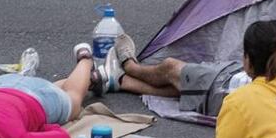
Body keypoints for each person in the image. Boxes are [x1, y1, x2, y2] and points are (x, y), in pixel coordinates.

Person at [96, 33, 248, 119]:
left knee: (171, 68)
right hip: (234, 77)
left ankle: (130, 67)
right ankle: (122, 81)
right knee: (184, 86)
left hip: (225, 87)